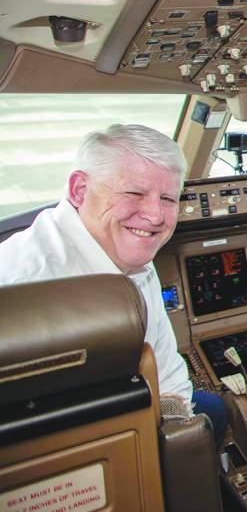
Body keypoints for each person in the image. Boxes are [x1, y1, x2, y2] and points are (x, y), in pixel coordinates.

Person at [0, 123, 228, 445]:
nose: (154, 216)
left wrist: (178, 430)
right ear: (79, 190)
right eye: (134, 192)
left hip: (129, 407)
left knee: (212, 412)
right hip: (62, 448)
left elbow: (165, 367)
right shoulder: (26, 287)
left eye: (167, 198)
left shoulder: (129, 253)